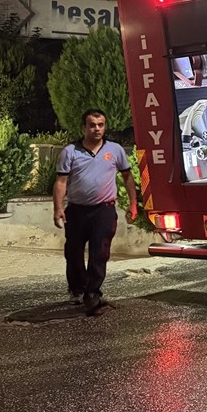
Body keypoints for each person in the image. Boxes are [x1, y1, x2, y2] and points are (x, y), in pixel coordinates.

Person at [53, 109, 138, 315]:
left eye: (100, 125)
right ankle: (78, 288)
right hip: (77, 211)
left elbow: (127, 177)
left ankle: (93, 293)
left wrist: (133, 204)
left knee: (100, 253)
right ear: (84, 127)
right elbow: (61, 181)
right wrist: (57, 208)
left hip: (104, 210)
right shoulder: (70, 151)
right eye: (92, 125)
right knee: (73, 253)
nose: (97, 129)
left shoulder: (115, 150)